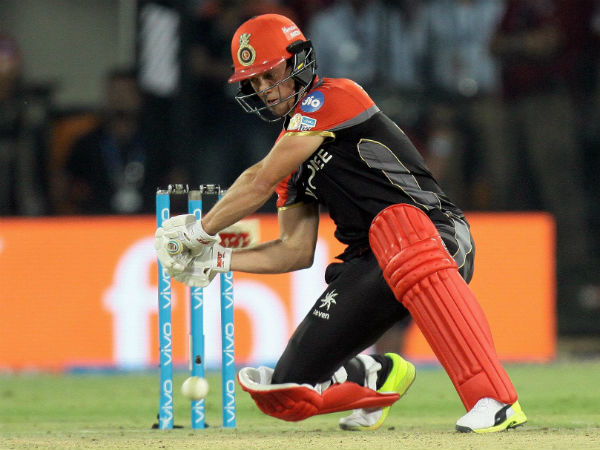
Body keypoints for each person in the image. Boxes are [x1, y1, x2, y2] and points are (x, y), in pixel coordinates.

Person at [154, 14, 527, 433]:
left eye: (270, 74)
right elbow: (294, 251)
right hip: (371, 264)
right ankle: (375, 375)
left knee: (396, 223)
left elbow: (258, 180)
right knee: (288, 390)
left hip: (435, 235)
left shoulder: (335, 97)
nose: (264, 89)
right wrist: (217, 258)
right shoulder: (289, 159)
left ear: (298, 63)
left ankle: (494, 399)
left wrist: (199, 231)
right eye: (254, 81)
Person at [62, 68, 183, 214]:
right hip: (99, 219)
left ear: (138, 97)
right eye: (114, 92)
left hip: (149, 218)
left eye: (126, 92)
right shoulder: (87, 143)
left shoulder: (158, 142)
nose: (120, 99)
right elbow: (65, 184)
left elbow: (177, 180)